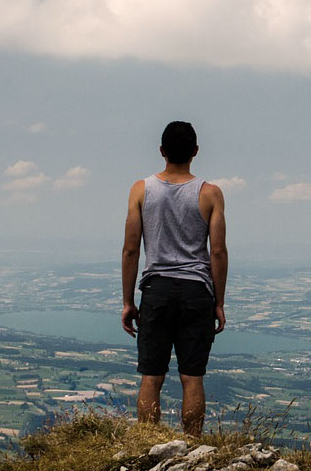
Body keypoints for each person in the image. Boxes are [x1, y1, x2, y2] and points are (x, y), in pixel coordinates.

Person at [120, 121, 227, 435]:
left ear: (162, 151)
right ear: (195, 152)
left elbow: (130, 249)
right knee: (192, 376)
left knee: (152, 375)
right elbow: (217, 253)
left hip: (158, 290)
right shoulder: (210, 194)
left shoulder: (141, 190)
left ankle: (149, 446)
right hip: (197, 293)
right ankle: (192, 448)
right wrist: (218, 302)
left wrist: (128, 301)